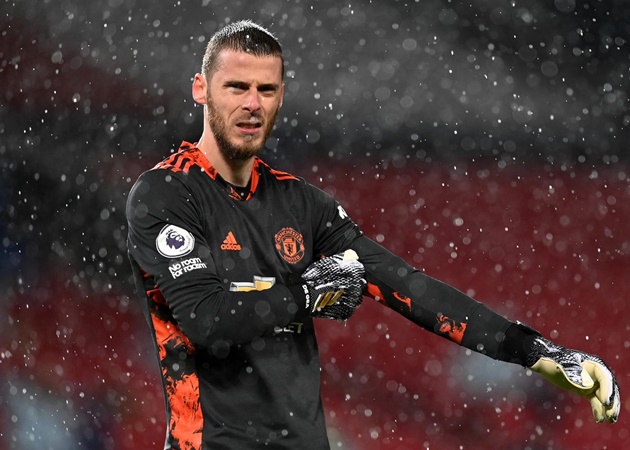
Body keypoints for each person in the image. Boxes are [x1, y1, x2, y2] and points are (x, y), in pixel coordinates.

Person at [126, 20, 621, 450]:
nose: (252, 104)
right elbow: (208, 321)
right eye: (236, 87)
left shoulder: (301, 204)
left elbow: (405, 285)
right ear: (201, 89)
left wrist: (540, 353)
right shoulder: (166, 194)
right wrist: (307, 294)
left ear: (281, 96)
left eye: (267, 90)